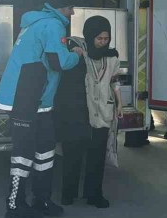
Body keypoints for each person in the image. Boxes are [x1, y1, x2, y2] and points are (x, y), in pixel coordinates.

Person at [0, 0, 82, 218]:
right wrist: (76, 55)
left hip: (36, 99)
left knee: (45, 151)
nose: (72, 12)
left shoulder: (36, 22)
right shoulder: (52, 25)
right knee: (24, 154)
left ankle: (41, 200)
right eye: (70, 7)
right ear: (58, 7)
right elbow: (58, 62)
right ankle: (14, 205)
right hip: (26, 99)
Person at [56, 16, 122, 208]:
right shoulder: (78, 53)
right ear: (90, 35)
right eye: (99, 38)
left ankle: (94, 195)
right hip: (78, 112)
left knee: (97, 156)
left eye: (106, 38)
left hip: (102, 113)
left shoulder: (112, 57)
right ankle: (68, 194)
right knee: (72, 153)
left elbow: (115, 81)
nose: (103, 42)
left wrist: (119, 103)